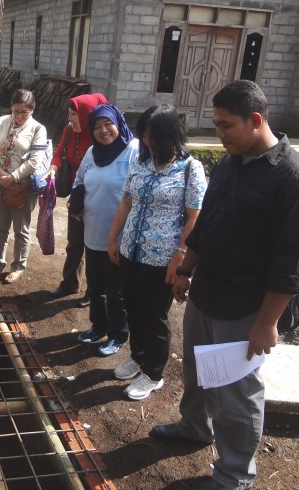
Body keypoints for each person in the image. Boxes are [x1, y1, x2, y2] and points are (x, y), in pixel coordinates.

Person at [151, 81, 299, 490]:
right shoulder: (230, 164)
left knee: (237, 394)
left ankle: (233, 477)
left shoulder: (295, 179)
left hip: (246, 309)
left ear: (256, 120)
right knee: (197, 373)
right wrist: (187, 268)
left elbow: (293, 261)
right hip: (208, 293)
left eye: (226, 126)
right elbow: (207, 223)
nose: (219, 134)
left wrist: (266, 323)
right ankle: (195, 427)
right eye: (216, 124)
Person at [107, 104, 207, 400]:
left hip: (162, 258)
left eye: (151, 136)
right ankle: (138, 356)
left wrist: (180, 256)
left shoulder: (190, 168)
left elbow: (194, 216)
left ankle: (153, 373)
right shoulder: (141, 161)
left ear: (168, 135)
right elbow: (126, 201)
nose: (146, 142)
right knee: (132, 307)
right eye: (143, 136)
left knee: (154, 314)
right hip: (131, 252)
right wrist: (113, 237)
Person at [69, 104, 139, 355]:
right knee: (95, 284)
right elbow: (79, 179)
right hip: (93, 230)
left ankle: (118, 334)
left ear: (118, 123)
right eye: (97, 126)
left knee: (116, 289)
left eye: (107, 124)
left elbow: (137, 192)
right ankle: (98, 326)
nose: (103, 131)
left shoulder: (133, 151)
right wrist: (76, 203)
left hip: (120, 236)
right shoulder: (91, 152)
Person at [45, 92, 108, 303]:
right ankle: (70, 283)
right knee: (74, 242)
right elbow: (59, 153)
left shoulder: (99, 134)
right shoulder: (70, 131)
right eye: (69, 114)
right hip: (77, 195)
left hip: (97, 197)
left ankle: (93, 290)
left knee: (94, 245)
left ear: (86, 114)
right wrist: (53, 169)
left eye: (74, 114)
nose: (70, 119)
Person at [0, 89, 48, 284]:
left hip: (23, 188)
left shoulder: (38, 130)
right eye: (16, 111)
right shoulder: (2, 122)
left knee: (21, 229)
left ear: (32, 110)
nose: (19, 116)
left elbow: (34, 162)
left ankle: (19, 266)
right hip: (0, 183)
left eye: (24, 112)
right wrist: (0, 172)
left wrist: (12, 177)